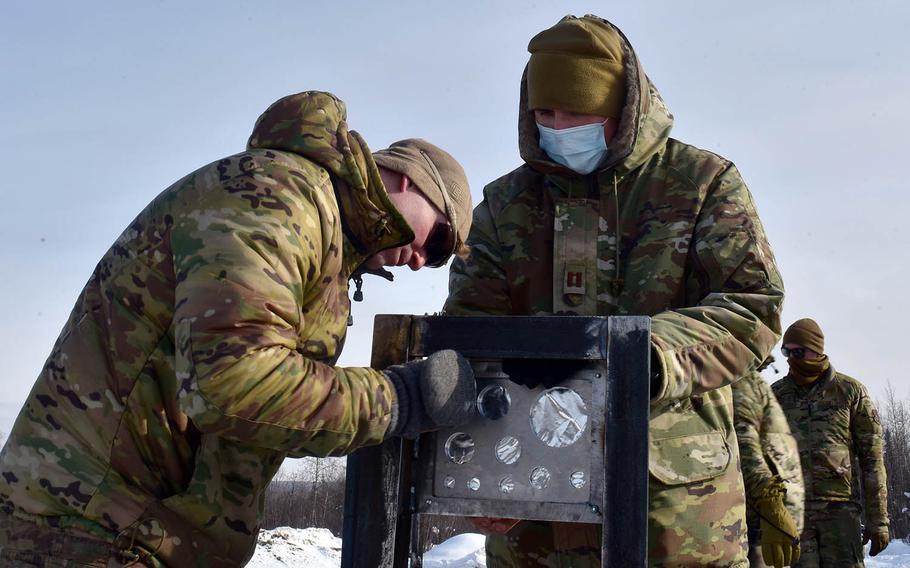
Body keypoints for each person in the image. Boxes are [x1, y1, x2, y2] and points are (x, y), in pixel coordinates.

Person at [0, 91, 477, 567]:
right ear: (410, 181)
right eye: (435, 241)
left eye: (436, 261)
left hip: (137, 531)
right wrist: (396, 400)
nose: (420, 263)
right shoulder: (279, 193)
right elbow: (231, 382)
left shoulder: (325, 237)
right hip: (90, 530)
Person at [444, 14, 784, 567]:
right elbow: (468, 333)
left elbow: (751, 308)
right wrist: (480, 473)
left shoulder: (700, 184)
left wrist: (646, 357)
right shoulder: (506, 204)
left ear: (622, 107)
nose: (559, 125)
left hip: (676, 510)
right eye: (545, 113)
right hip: (532, 509)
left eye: (578, 111)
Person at [772, 318, 890, 567]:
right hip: (795, 514)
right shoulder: (776, 396)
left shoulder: (850, 392)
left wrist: (878, 520)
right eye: (786, 352)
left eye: (799, 352)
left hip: (840, 514)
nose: (792, 358)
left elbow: (872, 461)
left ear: (817, 349)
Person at [732, 357, 804, 568]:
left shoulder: (750, 376)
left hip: (766, 522)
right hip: (754, 523)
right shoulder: (738, 374)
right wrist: (770, 504)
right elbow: (742, 443)